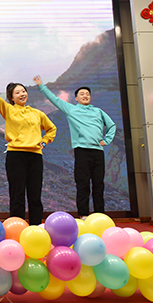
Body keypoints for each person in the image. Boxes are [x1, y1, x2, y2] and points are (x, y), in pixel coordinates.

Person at [0, 80, 56, 226]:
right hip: (16, 156)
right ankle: (17, 227)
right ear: (12, 98)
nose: (22, 94)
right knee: (17, 194)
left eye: (23, 91)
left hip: (35, 156)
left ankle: (35, 227)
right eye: (17, 92)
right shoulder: (9, 110)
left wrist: (45, 141)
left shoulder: (37, 113)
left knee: (35, 194)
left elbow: (51, 128)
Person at [33, 75, 116, 218]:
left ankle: (100, 215)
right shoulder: (71, 109)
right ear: (76, 98)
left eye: (87, 94)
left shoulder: (98, 111)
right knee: (83, 184)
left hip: (98, 152)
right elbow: (55, 100)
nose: (85, 96)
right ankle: (83, 214)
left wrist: (106, 140)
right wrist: (41, 85)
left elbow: (111, 125)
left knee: (98, 184)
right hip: (82, 151)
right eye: (81, 94)